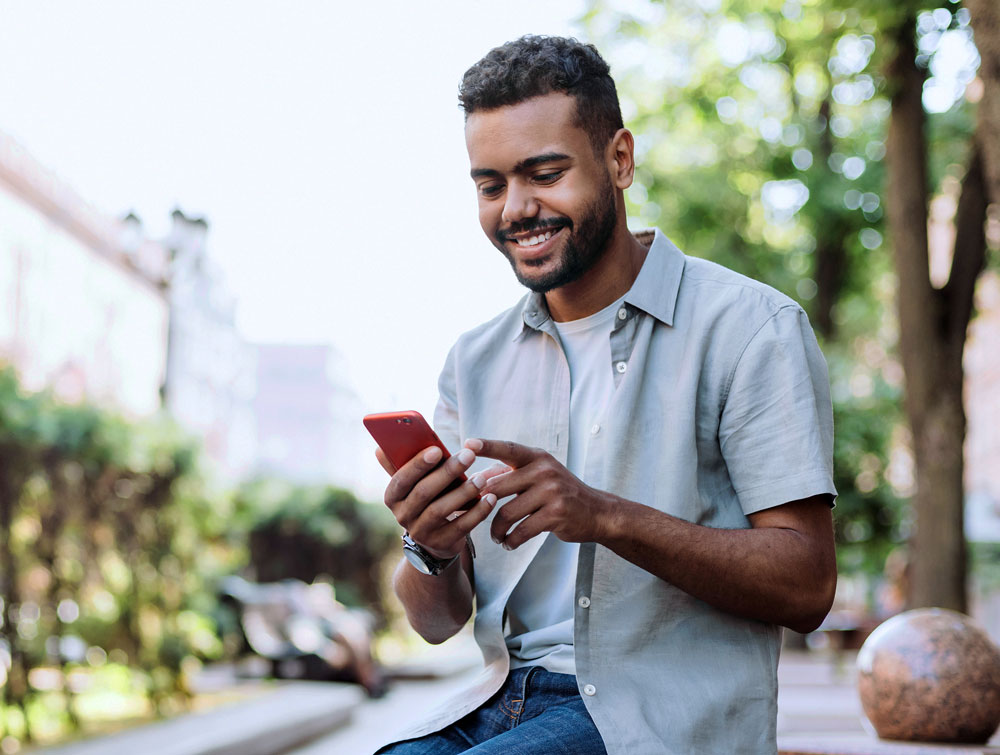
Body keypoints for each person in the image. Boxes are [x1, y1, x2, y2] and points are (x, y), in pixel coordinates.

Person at [374, 35, 837, 755]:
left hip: (655, 719)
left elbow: (807, 586)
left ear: (619, 159)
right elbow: (435, 622)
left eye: (545, 173)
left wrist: (604, 515)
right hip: (502, 698)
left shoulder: (752, 329)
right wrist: (430, 545)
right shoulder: (475, 359)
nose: (516, 209)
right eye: (491, 184)